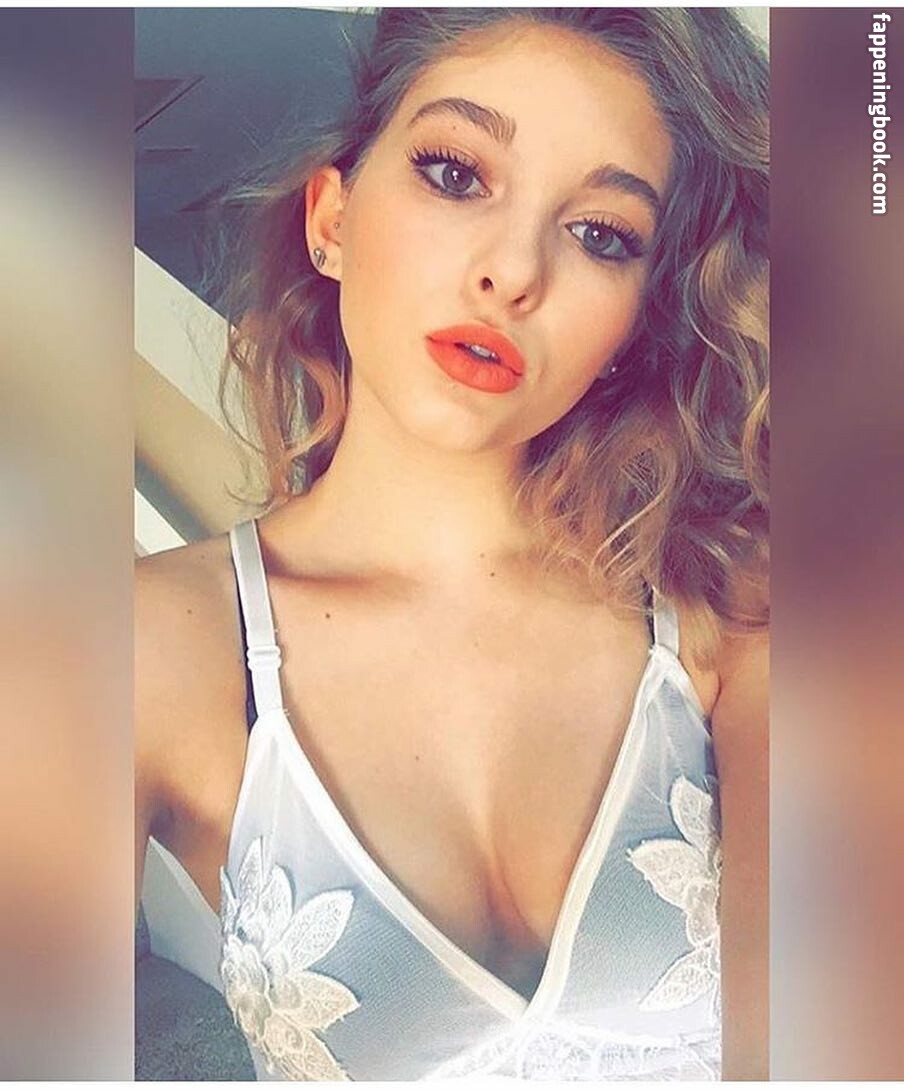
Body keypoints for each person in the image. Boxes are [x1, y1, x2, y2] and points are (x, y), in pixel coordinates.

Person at [136, 8, 768, 1081]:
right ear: (331, 221)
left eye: (600, 234)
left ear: (633, 324)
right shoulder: (146, 648)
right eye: (455, 174)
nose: (513, 271)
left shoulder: (725, 605)